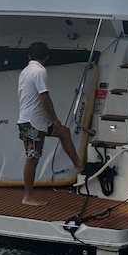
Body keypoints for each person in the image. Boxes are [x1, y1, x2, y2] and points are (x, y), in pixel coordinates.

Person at [17, 41, 85, 205]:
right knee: (32, 158)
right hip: (32, 122)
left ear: (29, 56)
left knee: (64, 132)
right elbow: (45, 99)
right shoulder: (40, 72)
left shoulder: (25, 71)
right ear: (46, 57)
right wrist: (55, 119)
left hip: (38, 120)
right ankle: (28, 196)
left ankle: (78, 165)